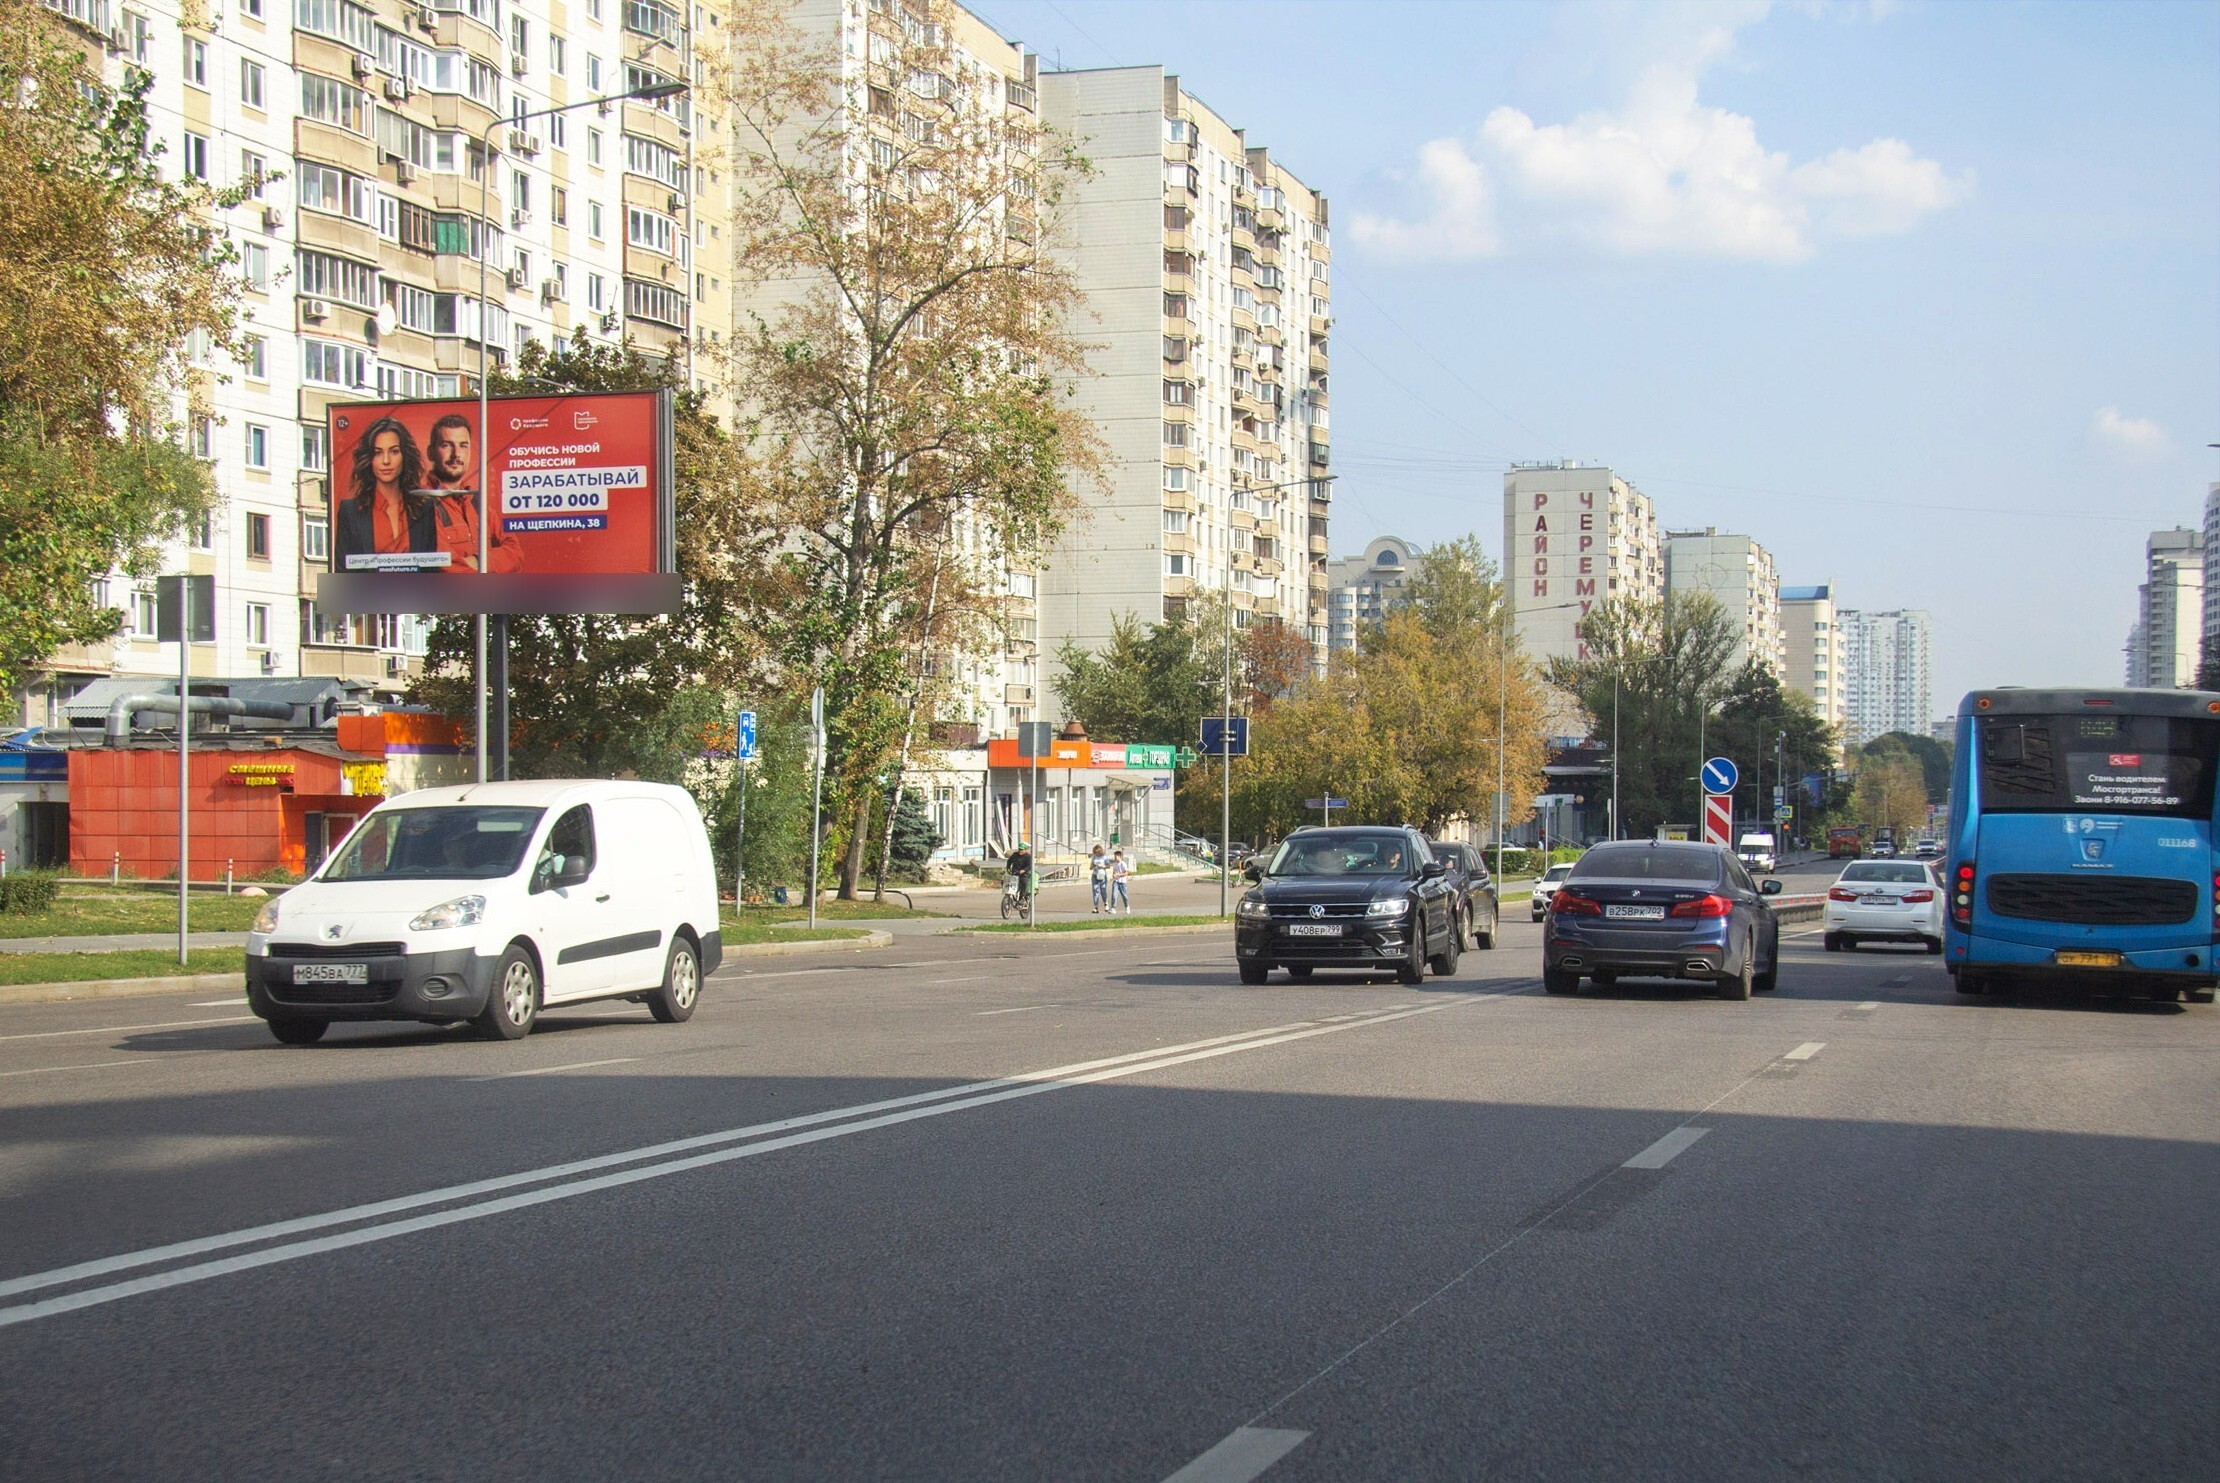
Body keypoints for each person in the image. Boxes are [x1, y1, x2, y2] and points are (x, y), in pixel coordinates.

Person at [422, 413, 524, 574]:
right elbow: (444, 567)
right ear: (430, 452)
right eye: (446, 445)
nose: (456, 454)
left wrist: (478, 560)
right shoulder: (422, 504)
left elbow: (516, 554)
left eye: (463, 445)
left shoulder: (476, 501)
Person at [333, 417, 437, 568]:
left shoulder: (424, 508)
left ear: (404, 455)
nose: (386, 461)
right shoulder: (350, 511)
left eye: (394, 451)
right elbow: (343, 572)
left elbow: (432, 570)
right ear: (369, 458)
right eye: (378, 453)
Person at [1088, 843, 1111, 914]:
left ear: (1100, 851)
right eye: (1095, 852)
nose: (1096, 854)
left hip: (1102, 875)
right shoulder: (1094, 857)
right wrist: (1093, 866)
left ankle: (1106, 903)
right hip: (1095, 875)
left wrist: (1103, 866)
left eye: (1097, 852)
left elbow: (1108, 865)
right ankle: (1096, 907)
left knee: (1103, 890)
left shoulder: (1104, 857)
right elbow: (1090, 867)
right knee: (1095, 890)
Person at [1110, 849, 1131, 913]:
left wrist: (1118, 875)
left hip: (1122, 882)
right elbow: (1114, 872)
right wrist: (1113, 875)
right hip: (1116, 882)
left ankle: (1127, 906)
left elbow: (1126, 873)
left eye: (1116, 856)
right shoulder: (1114, 864)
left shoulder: (1123, 864)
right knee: (1114, 895)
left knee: (1124, 896)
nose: (1115, 857)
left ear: (1119, 856)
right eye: (1114, 856)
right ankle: (1113, 908)